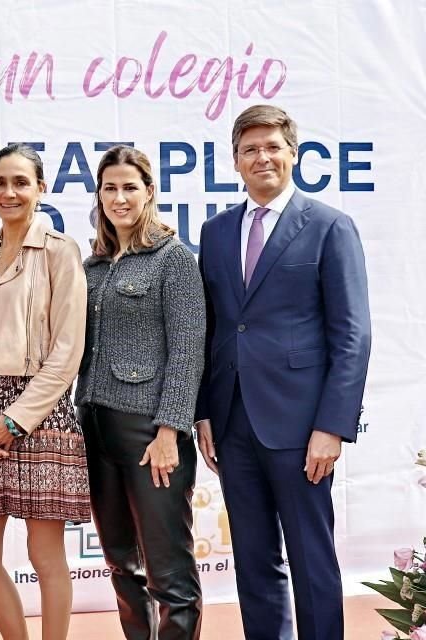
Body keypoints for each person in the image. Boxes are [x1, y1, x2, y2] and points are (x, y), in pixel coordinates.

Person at [195, 104, 372, 640]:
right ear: (235, 161)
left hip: (301, 427)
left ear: (293, 154)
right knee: (253, 561)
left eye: (272, 146)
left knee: (311, 558)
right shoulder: (217, 231)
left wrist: (332, 426)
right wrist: (204, 412)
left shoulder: (329, 227)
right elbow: (211, 328)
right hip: (233, 421)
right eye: (250, 149)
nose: (262, 157)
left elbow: (353, 334)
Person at [0, 143, 90, 640]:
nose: (8, 192)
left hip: (42, 415)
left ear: (41, 189)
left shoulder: (60, 251)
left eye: (20, 182)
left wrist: (16, 420)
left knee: (44, 555)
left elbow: (68, 350)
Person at [74, 145, 206, 640]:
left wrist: (170, 430)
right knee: (120, 564)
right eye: (109, 188)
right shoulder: (94, 266)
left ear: (150, 191)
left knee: (168, 571)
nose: (119, 197)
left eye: (130, 187)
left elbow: (189, 350)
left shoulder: (174, 260)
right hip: (95, 427)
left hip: (149, 434)